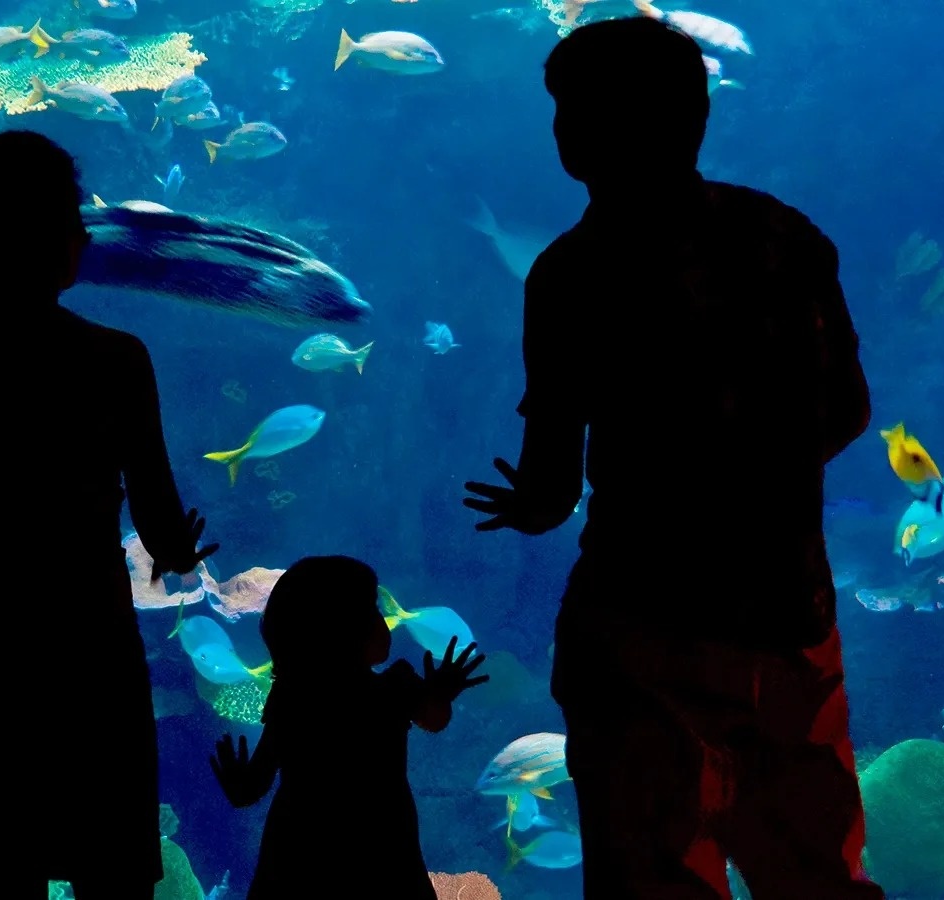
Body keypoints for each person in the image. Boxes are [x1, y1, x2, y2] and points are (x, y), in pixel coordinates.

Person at [461, 16, 881, 900]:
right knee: (815, 874)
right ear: (697, 118)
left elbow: (550, 484)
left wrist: (527, 508)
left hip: (639, 624)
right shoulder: (783, 236)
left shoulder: (573, 273)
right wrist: (754, 476)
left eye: (569, 111)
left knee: (654, 876)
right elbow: (848, 409)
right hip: (786, 614)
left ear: (581, 135)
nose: (560, 130)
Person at [0, 130, 217, 900]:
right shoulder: (115, 359)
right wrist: (178, 551)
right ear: (56, 242)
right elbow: (163, 525)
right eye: (72, 220)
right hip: (84, 638)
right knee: (109, 868)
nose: (82, 236)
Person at [208, 556, 487, 900]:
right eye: (371, 610)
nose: (383, 620)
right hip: (382, 852)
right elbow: (434, 719)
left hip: (298, 856)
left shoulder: (294, 697)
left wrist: (236, 782)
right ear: (346, 629)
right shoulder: (394, 686)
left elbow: (252, 786)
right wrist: (442, 692)